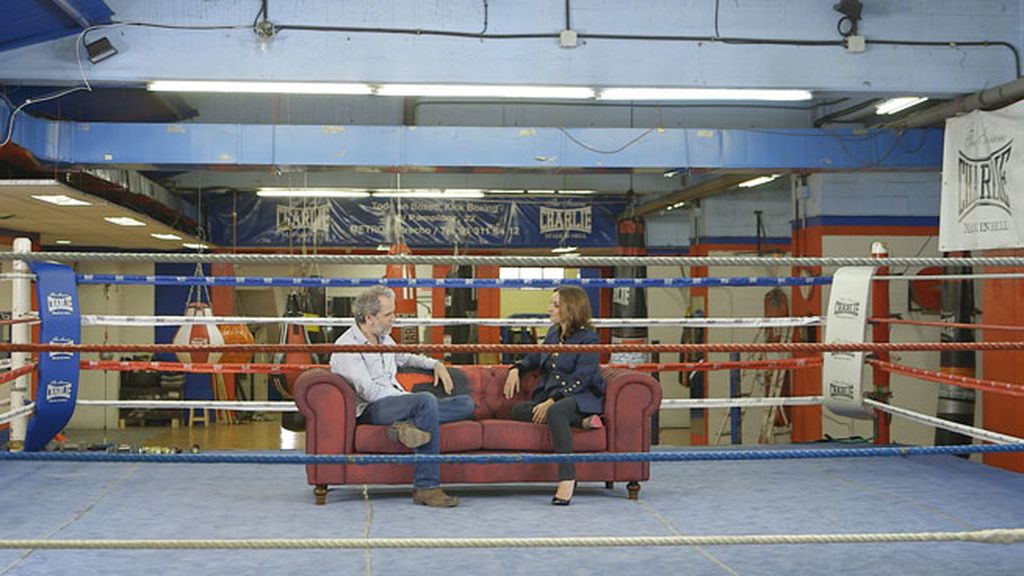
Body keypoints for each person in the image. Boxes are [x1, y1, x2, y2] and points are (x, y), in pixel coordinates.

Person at [330, 286, 475, 507]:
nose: (394, 319)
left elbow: (406, 358)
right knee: (424, 401)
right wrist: (407, 400)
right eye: (388, 314)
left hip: (396, 404)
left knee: (466, 403)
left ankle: (406, 424)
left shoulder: (385, 339)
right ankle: (427, 487)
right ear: (369, 317)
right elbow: (369, 392)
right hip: (372, 409)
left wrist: (435, 364)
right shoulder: (346, 347)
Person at [503, 286, 605, 506]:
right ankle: (581, 422)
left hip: (580, 396)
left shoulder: (588, 339)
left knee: (556, 411)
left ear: (572, 308)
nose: (550, 308)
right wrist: (516, 368)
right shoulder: (552, 333)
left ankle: (567, 478)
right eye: (552, 303)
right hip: (552, 397)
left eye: (556, 305)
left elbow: (582, 378)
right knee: (517, 410)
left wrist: (552, 401)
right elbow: (535, 358)